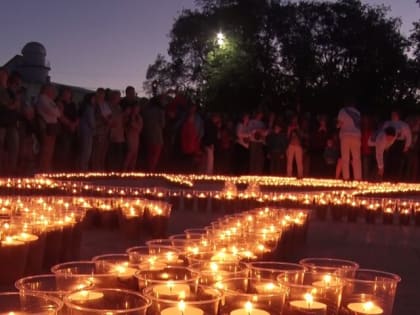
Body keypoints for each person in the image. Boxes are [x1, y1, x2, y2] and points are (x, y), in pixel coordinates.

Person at [36, 84, 60, 172]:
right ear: (47, 90)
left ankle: (46, 167)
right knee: (46, 149)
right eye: (52, 90)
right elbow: (52, 111)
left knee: (50, 150)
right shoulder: (42, 99)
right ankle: (43, 169)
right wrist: (56, 111)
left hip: (52, 127)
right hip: (46, 127)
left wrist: (56, 111)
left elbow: (58, 113)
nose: (54, 92)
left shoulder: (51, 101)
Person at [382, 110, 412, 180]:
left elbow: (408, 136)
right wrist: (385, 144)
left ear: (398, 115)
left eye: (394, 114)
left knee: (397, 162)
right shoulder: (388, 123)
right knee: (388, 161)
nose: (393, 115)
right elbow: (383, 133)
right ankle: (386, 178)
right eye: (392, 114)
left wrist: (407, 146)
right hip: (389, 144)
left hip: (399, 144)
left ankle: (395, 178)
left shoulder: (403, 125)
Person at [55, 88, 79, 171]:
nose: (67, 95)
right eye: (65, 93)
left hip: (72, 129)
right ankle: (61, 168)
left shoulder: (73, 104)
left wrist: (75, 124)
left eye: (68, 93)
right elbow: (60, 116)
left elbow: (77, 116)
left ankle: (69, 168)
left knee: (70, 150)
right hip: (63, 129)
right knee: (63, 149)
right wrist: (69, 124)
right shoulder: (59, 103)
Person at [337, 102, 362, 181]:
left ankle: (346, 177)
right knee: (356, 158)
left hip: (345, 135)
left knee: (345, 157)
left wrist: (337, 126)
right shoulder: (357, 112)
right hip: (356, 136)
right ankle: (358, 177)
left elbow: (339, 124)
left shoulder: (342, 111)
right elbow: (358, 124)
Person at [142, 93, 165, 171]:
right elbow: (163, 124)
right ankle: (151, 170)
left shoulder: (145, 111)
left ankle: (149, 169)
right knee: (155, 154)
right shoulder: (160, 111)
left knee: (149, 154)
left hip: (147, 134)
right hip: (157, 135)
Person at [91, 88, 111, 171]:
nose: (101, 96)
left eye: (103, 94)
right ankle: (95, 169)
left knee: (103, 151)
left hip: (105, 130)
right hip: (97, 131)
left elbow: (109, 115)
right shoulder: (94, 104)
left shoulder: (105, 104)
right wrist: (104, 120)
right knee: (96, 151)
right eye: (100, 94)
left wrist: (109, 122)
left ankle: (101, 168)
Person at [107, 90, 125, 171]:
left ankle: (117, 171)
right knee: (111, 155)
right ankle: (110, 171)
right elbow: (111, 120)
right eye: (118, 96)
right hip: (112, 134)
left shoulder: (119, 107)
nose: (120, 98)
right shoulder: (108, 107)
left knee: (119, 155)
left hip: (120, 135)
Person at [79, 93, 96, 171]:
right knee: (86, 152)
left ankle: (83, 168)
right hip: (87, 132)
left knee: (85, 151)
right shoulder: (89, 108)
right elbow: (91, 122)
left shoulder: (85, 107)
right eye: (93, 98)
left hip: (84, 131)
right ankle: (83, 169)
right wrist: (95, 128)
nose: (95, 100)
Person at [123, 104, 143, 171]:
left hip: (136, 136)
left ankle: (131, 170)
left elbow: (140, 128)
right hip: (129, 135)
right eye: (135, 109)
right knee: (130, 152)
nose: (136, 110)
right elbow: (125, 127)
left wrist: (134, 125)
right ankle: (124, 170)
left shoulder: (139, 117)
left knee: (135, 153)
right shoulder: (128, 117)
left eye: (137, 109)